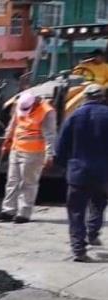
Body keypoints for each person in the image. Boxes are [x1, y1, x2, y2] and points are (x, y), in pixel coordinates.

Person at [54, 83, 108, 262]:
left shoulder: (74, 116)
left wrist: (64, 167)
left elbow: (61, 146)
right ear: (102, 97)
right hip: (103, 174)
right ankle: (93, 233)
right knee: (99, 204)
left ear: (85, 97)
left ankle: (79, 250)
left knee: (76, 212)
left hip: (78, 173)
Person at [0, 92, 56, 224]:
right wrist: (7, 140)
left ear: (34, 103)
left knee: (28, 183)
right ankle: (8, 210)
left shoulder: (47, 112)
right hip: (16, 149)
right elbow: (13, 124)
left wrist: (49, 155)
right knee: (12, 181)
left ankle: (24, 213)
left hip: (34, 153)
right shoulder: (20, 105)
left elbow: (50, 135)